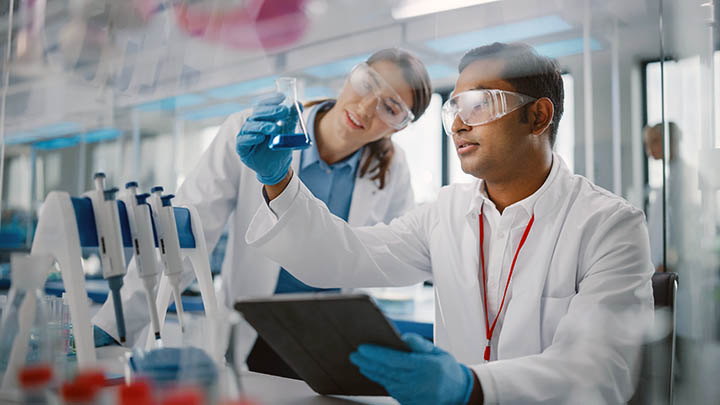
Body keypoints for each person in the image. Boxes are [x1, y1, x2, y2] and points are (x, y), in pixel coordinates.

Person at [238, 42, 654, 404]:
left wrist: (471, 387)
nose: (457, 123)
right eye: (454, 108)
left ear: (538, 117)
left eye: (478, 105)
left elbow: (602, 371)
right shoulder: (447, 211)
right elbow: (342, 257)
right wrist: (279, 180)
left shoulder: (609, 225)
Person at [91, 48, 433, 374]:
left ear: (400, 126)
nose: (367, 107)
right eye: (367, 84)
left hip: (330, 337)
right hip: (255, 328)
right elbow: (185, 233)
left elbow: (393, 257)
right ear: (351, 76)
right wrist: (117, 322)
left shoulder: (391, 171)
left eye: (391, 107)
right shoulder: (254, 132)